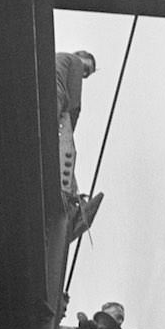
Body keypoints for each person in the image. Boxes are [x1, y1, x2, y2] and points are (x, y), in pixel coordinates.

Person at [54, 49, 102, 240]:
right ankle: (73, 205)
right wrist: (68, 132)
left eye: (87, 74)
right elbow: (74, 106)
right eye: (86, 69)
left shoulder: (57, 58)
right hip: (55, 99)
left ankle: (73, 202)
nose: (83, 74)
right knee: (65, 155)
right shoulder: (72, 61)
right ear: (80, 56)